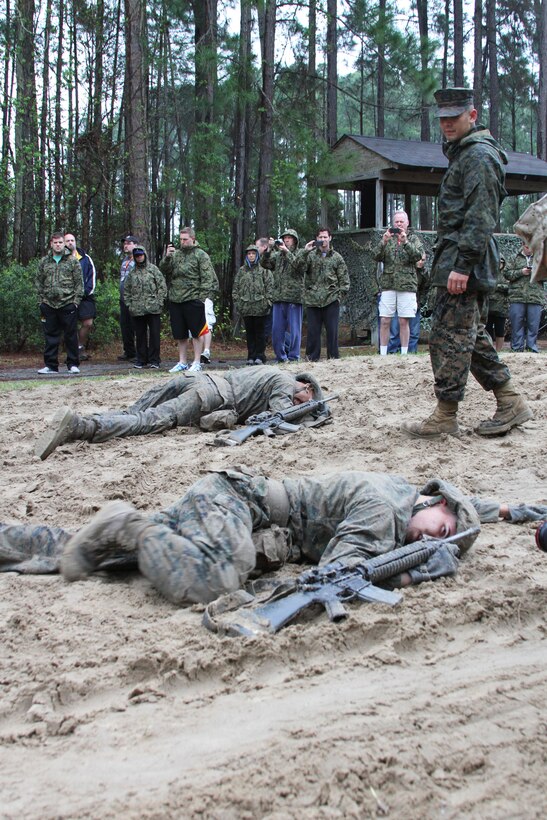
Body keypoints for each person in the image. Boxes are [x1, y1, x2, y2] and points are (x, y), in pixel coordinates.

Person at [3, 469, 546, 611]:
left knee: (98, 557)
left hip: (247, 515)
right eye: (441, 534)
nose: (434, 542)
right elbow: (338, 572)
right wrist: (411, 571)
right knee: (214, 579)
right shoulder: (385, 512)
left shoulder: (410, 500)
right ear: (435, 505)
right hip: (237, 503)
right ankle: (126, 520)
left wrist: (519, 511)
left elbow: (477, 511)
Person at [402, 87, 533, 439]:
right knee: (468, 335)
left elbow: (481, 215)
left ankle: (446, 415)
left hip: (464, 260)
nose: (446, 124)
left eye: (453, 118)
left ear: (472, 116)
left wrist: (462, 265)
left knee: (450, 337)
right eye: (442, 119)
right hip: (459, 256)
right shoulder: (464, 154)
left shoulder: (477, 156)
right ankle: (510, 400)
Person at [34, 366, 326, 460]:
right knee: (146, 421)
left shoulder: (271, 372)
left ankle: (86, 419)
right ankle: (79, 426)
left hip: (198, 379)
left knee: (135, 410)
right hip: (210, 395)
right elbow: (276, 418)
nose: (300, 405)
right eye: (305, 401)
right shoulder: (286, 384)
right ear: (307, 388)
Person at [160, 227, 218, 373]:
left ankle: (197, 362)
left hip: (193, 299)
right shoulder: (176, 255)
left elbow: (207, 278)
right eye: (180, 239)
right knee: (180, 334)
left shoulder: (201, 255)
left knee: (197, 333)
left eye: (185, 239)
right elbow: (163, 270)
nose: (182, 242)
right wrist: (167, 257)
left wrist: (201, 298)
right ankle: (182, 361)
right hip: (176, 299)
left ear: (193, 238)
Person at [375, 211, 425, 355]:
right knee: (385, 320)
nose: (399, 224)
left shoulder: (414, 239)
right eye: (396, 222)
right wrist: (383, 242)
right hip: (388, 285)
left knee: (404, 321)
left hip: (407, 285)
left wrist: (405, 242)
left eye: (401, 222)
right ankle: (383, 354)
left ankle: (404, 353)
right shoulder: (387, 239)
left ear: (407, 223)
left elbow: (418, 256)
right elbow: (375, 256)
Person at [35, 231, 84, 375]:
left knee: (70, 335)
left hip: (68, 303)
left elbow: (79, 283)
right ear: (51, 244)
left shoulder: (72, 260)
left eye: (60, 242)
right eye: (55, 242)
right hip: (48, 305)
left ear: (64, 244)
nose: (58, 245)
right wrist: (41, 301)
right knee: (50, 335)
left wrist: (76, 301)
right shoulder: (44, 261)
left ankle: (73, 364)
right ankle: (51, 366)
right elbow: (38, 281)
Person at [301, 227, 350, 361]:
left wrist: (339, 297)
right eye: (320, 237)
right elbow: (298, 267)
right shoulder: (310, 256)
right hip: (313, 301)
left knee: (332, 332)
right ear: (316, 239)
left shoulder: (337, 257)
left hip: (331, 300)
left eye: (325, 237)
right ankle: (311, 359)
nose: (323, 240)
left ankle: (333, 358)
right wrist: (305, 251)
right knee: (313, 333)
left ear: (330, 238)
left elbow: (344, 281)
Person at [261, 229, 304, 363]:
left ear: (295, 240)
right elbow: (265, 264)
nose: (286, 240)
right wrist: (268, 249)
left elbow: (300, 267)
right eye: (284, 238)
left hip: (294, 298)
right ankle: (281, 358)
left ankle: (294, 356)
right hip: (278, 298)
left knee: (295, 330)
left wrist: (287, 252)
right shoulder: (278, 255)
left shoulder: (300, 253)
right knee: (276, 331)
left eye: (289, 238)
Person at [123, 246, 167, 369]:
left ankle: (154, 360)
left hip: (153, 308)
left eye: (141, 255)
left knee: (154, 335)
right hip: (137, 310)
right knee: (140, 335)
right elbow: (126, 291)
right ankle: (141, 359)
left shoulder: (153, 270)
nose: (139, 257)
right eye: (136, 256)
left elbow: (162, 286)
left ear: (145, 255)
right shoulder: (132, 273)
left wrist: (159, 302)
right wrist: (129, 305)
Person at [233, 244, 274, 365]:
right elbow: (236, 288)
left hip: (260, 308)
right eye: (249, 254)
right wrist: (238, 303)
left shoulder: (264, 271)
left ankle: (260, 356)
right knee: (249, 333)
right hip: (246, 308)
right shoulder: (242, 271)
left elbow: (270, 288)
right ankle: (251, 356)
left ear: (257, 255)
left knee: (260, 333)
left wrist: (267, 303)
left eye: (253, 254)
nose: (251, 256)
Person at [504, 242, 545, 353]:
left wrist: (536, 272)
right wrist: (520, 272)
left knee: (534, 324)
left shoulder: (540, 258)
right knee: (516, 323)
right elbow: (506, 273)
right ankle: (517, 348)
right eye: (527, 247)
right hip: (517, 296)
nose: (529, 249)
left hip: (535, 296)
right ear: (523, 245)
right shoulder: (514, 257)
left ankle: (532, 347)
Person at [64, 233, 97, 361]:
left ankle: (79, 347)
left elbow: (92, 277)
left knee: (88, 323)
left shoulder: (85, 258)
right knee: (68, 325)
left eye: (72, 240)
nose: (70, 243)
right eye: (67, 241)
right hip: (67, 298)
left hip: (85, 297)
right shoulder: (61, 259)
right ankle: (71, 351)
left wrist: (85, 292)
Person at [387, 252, 428, 354]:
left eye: (423, 260)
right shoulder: (405, 270)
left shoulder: (424, 273)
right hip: (401, 302)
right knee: (395, 330)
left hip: (415, 303)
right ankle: (392, 351)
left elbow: (425, 289)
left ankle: (411, 352)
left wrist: (421, 302)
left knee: (414, 332)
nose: (420, 262)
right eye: (419, 259)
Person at [118, 235, 139, 361]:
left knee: (136, 326)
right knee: (125, 326)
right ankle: (129, 351)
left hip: (134, 299)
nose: (126, 245)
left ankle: (140, 352)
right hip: (123, 299)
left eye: (129, 243)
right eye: (125, 243)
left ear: (135, 245)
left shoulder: (138, 259)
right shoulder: (125, 260)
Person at [485, 257, 509, 352]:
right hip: (488, 307)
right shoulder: (487, 273)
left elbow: (510, 287)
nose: (500, 264)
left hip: (501, 307)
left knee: (500, 330)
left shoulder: (506, 274)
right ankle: (489, 349)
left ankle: (498, 350)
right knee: (487, 329)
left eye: (502, 262)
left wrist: (497, 286)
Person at [200, 298, 216, 364]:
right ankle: (199, 355)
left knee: (207, 324)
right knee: (197, 327)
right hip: (194, 298)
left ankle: (206, 352)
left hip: (206, 298)